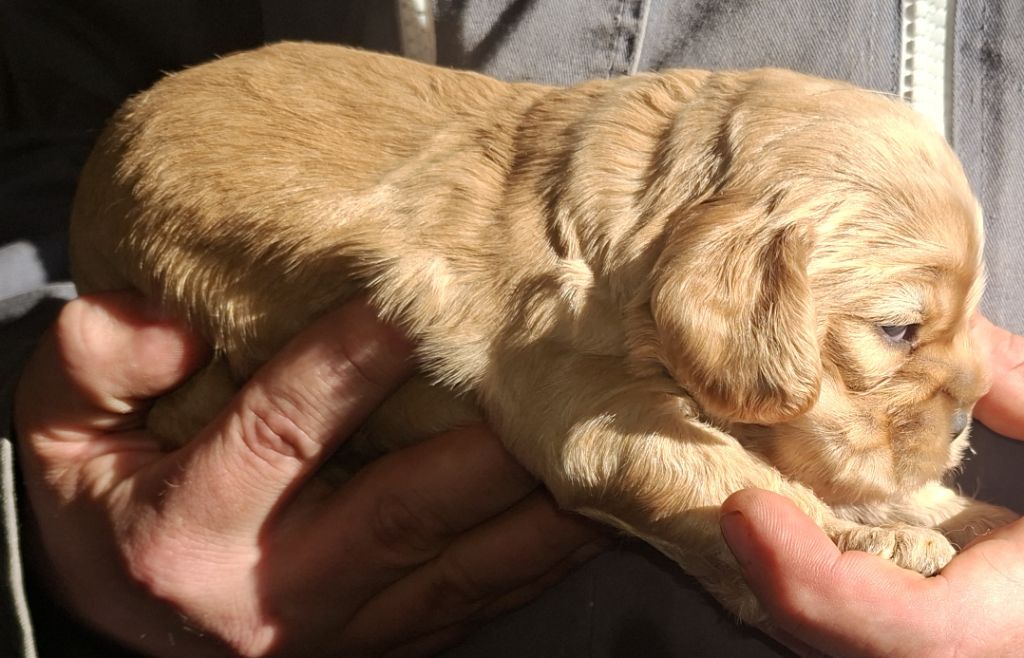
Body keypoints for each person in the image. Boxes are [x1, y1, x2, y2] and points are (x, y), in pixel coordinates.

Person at [3, 1, 1024, 656]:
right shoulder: (564, 289)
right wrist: (56, 526)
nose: (958, 392)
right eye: (901, 331)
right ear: (733, 290)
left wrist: (950, 518)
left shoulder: (677, 258)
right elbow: (41, 118)